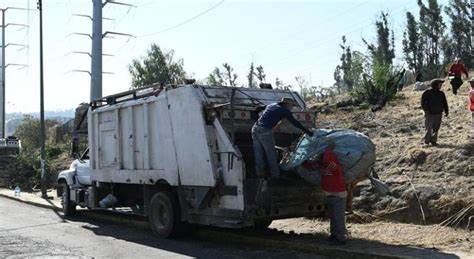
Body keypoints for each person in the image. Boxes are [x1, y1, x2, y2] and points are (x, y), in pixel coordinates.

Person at [252, 97, 313, 179]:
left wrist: (260, 121)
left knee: (258, 153)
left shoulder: (272, 105)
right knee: (271, 154)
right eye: (291, 106)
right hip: (265, 132)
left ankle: (259, 174)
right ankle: (275, 175)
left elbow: (258, 109)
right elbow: (294, 122)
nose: (292, 108)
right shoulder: (284, 110)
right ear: (287, 104)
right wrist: (307, 131)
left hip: (255, 129)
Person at [303, 143, 347, 245]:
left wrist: (328, 150)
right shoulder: (323, 167)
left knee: (338, 217)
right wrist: (301, 160)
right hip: (330, 195)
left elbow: (327, 160)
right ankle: (334, 235)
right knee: (332, 216)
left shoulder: (334, 166)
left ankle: (341, 238)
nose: (321, 160)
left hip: (338, 195)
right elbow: (309, 167)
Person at [421, 79, 449, 146]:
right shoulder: (427, 92)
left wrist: (446, 110)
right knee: (429, 128)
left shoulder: (441, 93)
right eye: (440, 84)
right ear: (435, 84)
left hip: (439, 113)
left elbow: (444, 103)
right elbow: (423, 102)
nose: (441, 85)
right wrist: (426, 110)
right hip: (430, 114)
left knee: (436, 128)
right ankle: (426, 142)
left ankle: (433, 141)